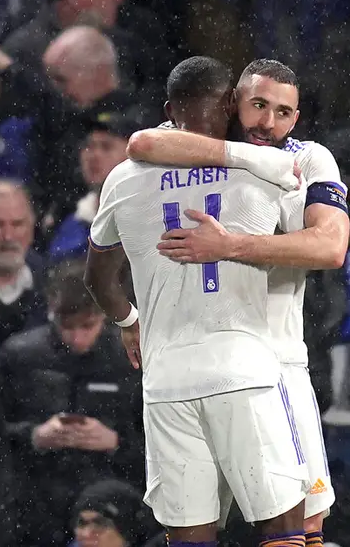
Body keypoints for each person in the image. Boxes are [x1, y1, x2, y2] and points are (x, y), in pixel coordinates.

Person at [84, 56, 309, 547]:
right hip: (245, 369)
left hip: (166, 379)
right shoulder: (268, 170)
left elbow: (97, 276)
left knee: (189, 537)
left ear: (170, 110)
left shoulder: (122, 179)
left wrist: (127, 320)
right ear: (231, 104)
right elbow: (316, 246)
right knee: (285, 529)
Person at [125, 59, 350, 547]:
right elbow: (140, 143)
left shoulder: (308, 159)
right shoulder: (203, 148)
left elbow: (330, 247)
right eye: (258, 105)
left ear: (297, 118)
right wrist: (128, 318)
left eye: (283, 112)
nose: (268, 123)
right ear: (233, 103)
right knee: (192, 530)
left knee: (304, 529)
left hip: (278, 361)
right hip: (198, 361)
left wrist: (232, 247)